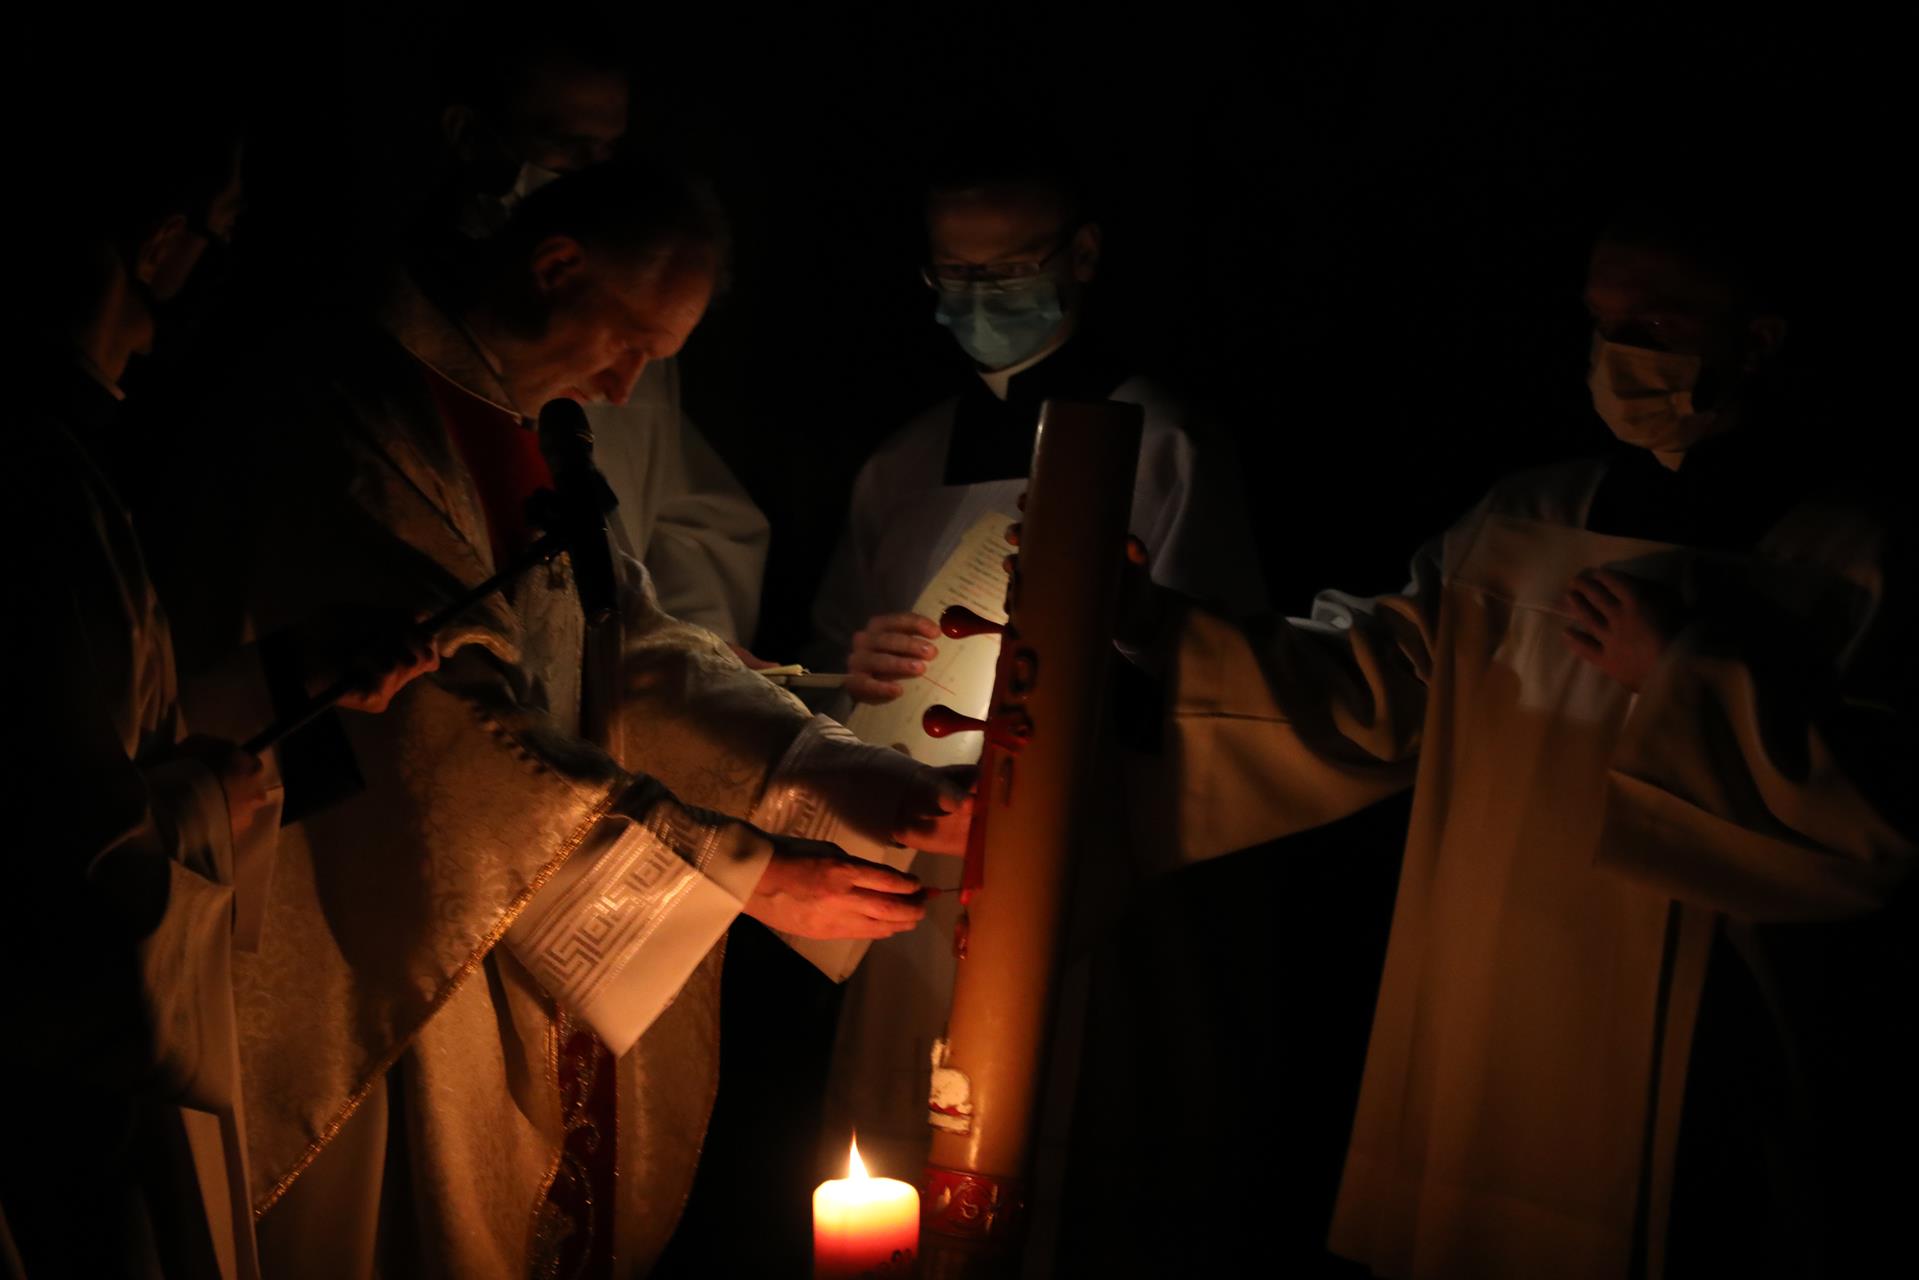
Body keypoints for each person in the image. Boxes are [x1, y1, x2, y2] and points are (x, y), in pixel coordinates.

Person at [173, 160, 968, 1279]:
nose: (626, 388)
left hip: (518, 901)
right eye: (629, 342)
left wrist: (844, 781)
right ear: (554, 266)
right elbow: (433, 725)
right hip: (386, 933)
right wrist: (738, 871)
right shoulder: (356, 409)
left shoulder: (522, 424)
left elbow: (628, 650)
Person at [1130, 196, 1915, 1278]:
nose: (1616, 354)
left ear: (1758, 337)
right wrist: (1154, 628)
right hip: (1496, 1000)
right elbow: (1378, 683)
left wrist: (1685, 677)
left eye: (1652, 326)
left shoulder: (1848, 548)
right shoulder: (1525, 518)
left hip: (1707, 1048)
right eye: (1599, 323)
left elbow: (1871, 822)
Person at [2, 73, 434, 1280]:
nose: (212, 272)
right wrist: (205, 801)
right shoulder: (34, 486)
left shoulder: (68, 459)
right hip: (54, 1120)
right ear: (158, 239)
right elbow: (54, 860)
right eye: (221, 229)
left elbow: (107, 731)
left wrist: (283, 675)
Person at [809, 151, 1270, 1203]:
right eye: (956, 276)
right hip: (911, 864)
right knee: (896, 1135)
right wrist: (855, 672)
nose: (982, 300)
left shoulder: (1162, 442)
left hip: (1079, 863)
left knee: (1056, 1131)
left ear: (1082, 255)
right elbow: (828, 663)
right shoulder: (900, 462)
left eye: (1010, 271)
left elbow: (1216, 677)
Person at [428, 24, 770, 644]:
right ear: (469, 134)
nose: (619, 388)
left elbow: (677, 530)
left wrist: (694, 657)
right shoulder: (420, 351)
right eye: (567, 145)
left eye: (606, 150)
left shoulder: (630, 318)